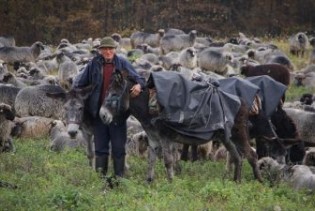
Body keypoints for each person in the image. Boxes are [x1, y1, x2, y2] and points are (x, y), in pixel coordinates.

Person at [73, 36, 145, 179]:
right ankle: (102, 179)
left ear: (114, 50)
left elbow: (140, 78)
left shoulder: (122, 63)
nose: (107, 51)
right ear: (100, 51)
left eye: (110, 49)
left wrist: (139, 85)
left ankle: (119, 179)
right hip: (99, 114)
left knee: (118, 148)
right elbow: (79, 83)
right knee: (100, 148)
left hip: (117, 114)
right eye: (104, 49)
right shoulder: (94, 64)